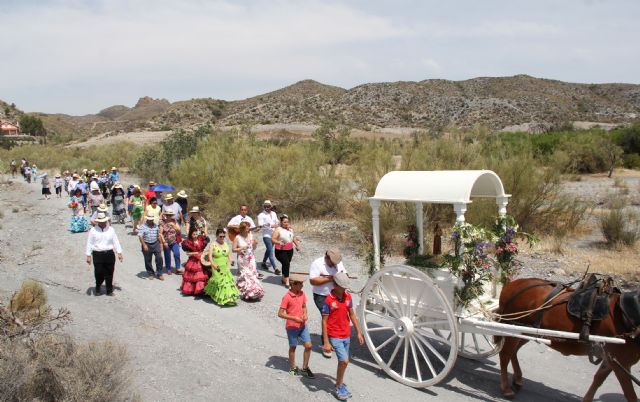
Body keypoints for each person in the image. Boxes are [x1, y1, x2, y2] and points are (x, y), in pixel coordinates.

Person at [321, 272, 364, 401]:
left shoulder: (348, 297)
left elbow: (352, 315)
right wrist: (326, 342)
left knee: (343, 362)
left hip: (346, 334)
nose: (345, 288)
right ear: (335, 285)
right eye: (342, 286)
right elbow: (324, 321)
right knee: (344, 360)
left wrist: (358, 332)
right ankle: (339, 386)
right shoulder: (329, 300)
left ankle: (339, 383)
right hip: (335, 335)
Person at [309, 248, 347, 358]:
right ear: (327, 258)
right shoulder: (317, 263)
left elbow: (344, 273)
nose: (335, 265)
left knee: (335, 318)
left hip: (336, 295)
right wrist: (330, 279)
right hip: (322, 296)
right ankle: (325, 344)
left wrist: (342, 278)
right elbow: (313, 281)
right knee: (327, 318)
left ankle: (333, 341)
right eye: (332, 263)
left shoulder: (338, 264)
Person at [278, 273, 315, 378]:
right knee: (293, 347)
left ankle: (304, 368)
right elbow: (280, 313)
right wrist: (294, 318)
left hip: (302, 326)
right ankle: (293, 367)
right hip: (292, 327)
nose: (302, 286)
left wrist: (305, 314)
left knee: (309, 345)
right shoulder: (286, 297)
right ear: (293, 284)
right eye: (300, 284)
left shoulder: (302, 294)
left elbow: (304, 306)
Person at [85, 212, 123, 296]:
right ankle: (98, 286)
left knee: (109, 272)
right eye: (101, 221)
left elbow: (115, 241)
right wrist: (88, 255)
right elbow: (89, 243)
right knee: (99, 272)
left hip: (109, 253)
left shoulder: (111, 230)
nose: (102, 223)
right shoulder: (93, 230)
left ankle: (109, 290)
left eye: (104, 221)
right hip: (97, 254)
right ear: (98, 221)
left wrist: (119, 252)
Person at [203, 228, 239, 305]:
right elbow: (210, 257)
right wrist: (213, 264)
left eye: (223, 236)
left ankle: (227, 298)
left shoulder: (225, 244)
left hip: (225, 267)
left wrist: (231, 260)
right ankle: (216, 296)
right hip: (217, 267)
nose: (222, 238)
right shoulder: (213, 244)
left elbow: (229, 254)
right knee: (219, 282)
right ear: (216, 236)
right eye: (220, 236)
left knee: (227, 282)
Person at [233, 221, 264, 301]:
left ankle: (254, 293)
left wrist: (255, 244)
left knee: (252, 275)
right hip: (242, 260)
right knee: (245, 276)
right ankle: (246, 293)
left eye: (248, 228)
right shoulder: (237, 237)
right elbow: (233, 249)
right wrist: (241, 248)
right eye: (246, 229)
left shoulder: (251, 235)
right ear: (242, 229)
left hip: (251, 258)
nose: (248, 230)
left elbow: (253, 248)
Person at [272, 215, 301, 287]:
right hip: (280, 251)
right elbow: (273, 239)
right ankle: (287, 281)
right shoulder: (278, 230)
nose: (286, 223)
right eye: (284, 222)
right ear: (281, 222)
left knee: (286, 264)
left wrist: (297, 245)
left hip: (289, 250)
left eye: (287, 222)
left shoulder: (290, 229)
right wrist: (278, 242)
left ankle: (283, 277)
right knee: (286, 263)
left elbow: (293, 238)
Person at [180, 226, 209, 295]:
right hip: (193, 261)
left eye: (196, 234)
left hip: (201, 259)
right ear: (191, 235)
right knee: (194, 275)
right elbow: (188, 254)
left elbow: (203, 248)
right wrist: (195, 253)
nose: (195, 235)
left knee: (202, 275)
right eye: (194, 234)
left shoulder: (200, 240)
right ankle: (194, 289)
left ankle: (201, 289)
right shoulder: (188, 242)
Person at [138, 213, 166, 280]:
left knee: (159, 258)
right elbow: (140, 236)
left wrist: (161, 244)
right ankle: (151, 273)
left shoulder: (156, 226)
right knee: (148, 259)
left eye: (152, 219)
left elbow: (158, 235)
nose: (151, 220)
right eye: (149, 219)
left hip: (155, 243)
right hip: (147, 243)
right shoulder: (143, 226)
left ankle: (159, 273)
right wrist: (144, 245)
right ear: (147, 219)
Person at [257, 200, 279, 273]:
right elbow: (260, 226)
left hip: (274, 235)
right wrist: (270, 225)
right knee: (270, 250)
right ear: (263, 206)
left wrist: (278, 224)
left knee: (268, 250)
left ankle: (263, 263)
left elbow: (277, 222)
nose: (266, 208)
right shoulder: (261, 215)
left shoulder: (274, 213)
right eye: (265, 206)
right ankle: (275, 268)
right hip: (266, 235)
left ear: (271, 206)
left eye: (268, 206)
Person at [160, 210, 182, 275]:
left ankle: (178, 267)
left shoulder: (174, 221)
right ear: (165, 215)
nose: (169, 216)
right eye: (167, 215)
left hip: (174, 241)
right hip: (166, 241)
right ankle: (168, 269)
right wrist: (163, 242)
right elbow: (160, 233)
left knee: (176, 253)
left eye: (170, 215)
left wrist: (173, 225)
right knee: (167, 256)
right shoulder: (162, 222)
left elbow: (179, 231)